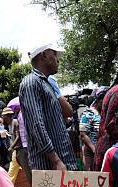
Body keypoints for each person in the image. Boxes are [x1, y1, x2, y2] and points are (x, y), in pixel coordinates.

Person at [19, 43, 77, 171]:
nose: (58, 60)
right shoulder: (31, 82)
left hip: (62, 162)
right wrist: (55, 160)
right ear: (44, 55)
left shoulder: (47, 84)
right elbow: (37, 124)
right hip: (49, 167)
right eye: (55, 54)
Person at [79, 87, 106, 171]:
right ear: (98, 100)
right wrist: (94, 150)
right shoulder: (88, 113)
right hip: (91, 153)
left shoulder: (104, 113)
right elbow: (83, 135)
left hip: (102, 152)